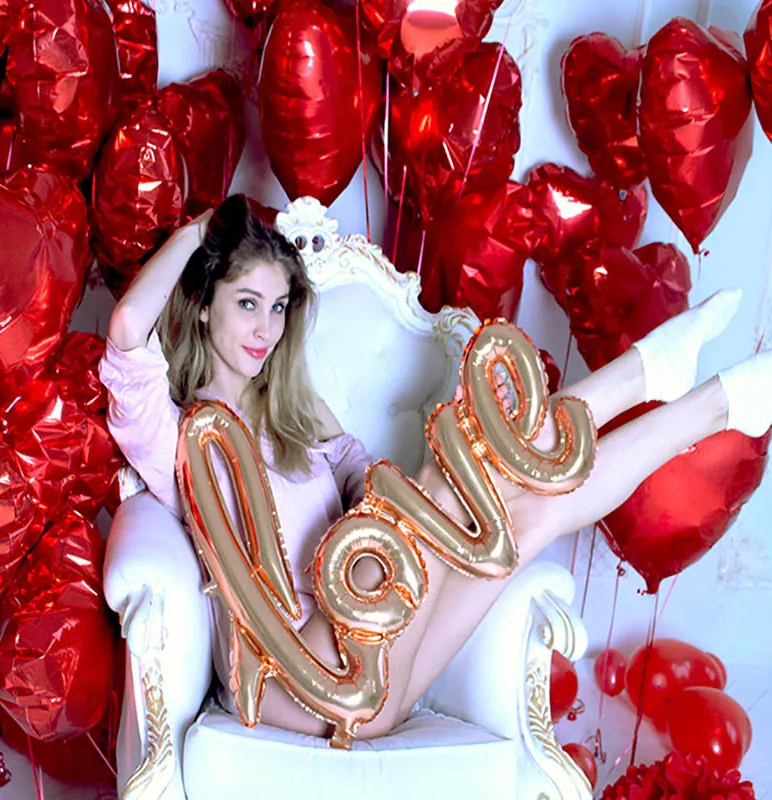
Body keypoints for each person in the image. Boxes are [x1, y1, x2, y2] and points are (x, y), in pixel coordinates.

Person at [100, 193, 772, 742]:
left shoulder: (295, 412)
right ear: (203, 302)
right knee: (453, 480)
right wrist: (200, 231)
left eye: (278, 308)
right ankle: (641, 373)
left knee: (527, 517)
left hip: (377, 666)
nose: (265, 329)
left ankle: (718, 405)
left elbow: (364, 474)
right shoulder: (173, 431)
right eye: (247, 302)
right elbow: (128, 327)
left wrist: (385, 504)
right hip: (294, 682)